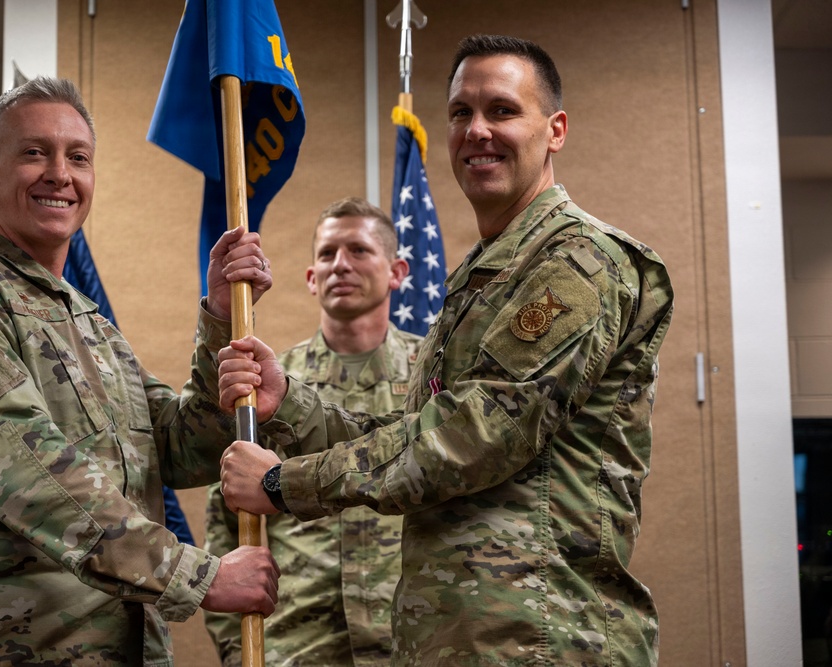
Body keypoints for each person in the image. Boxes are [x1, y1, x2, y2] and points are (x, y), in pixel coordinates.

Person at [215, 34, 675, 665]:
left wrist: (283, 482)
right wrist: (288, 406)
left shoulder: (577, 260)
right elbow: (419, 430)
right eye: (461, 112)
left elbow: (473, 436)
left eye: (503, 111)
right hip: (461, 641)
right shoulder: (484, 276)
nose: (477, 130)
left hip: (543, 637)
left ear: (556, 129)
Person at [0, 77, 281, 666]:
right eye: (34, 152)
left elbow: (177, 447)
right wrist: (197, 575)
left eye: (78, 157)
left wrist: (219, 317)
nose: (60, 174)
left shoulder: (91, 324)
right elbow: (26, 472)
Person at [203, 197, 424, 666]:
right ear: (310, 278)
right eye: (327, 254)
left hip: (413, 642)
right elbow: (225, 527)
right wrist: (235, 651)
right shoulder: (263, 387)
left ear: (397, 271)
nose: (340, 265)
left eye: (359, 251)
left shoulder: (434, 380)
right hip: (297, 648)